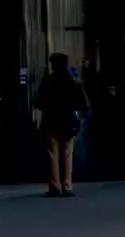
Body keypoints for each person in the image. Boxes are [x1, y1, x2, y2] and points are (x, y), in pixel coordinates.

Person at [33, 53, 89, 197]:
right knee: (67, 153)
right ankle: (67, 185)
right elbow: (83, 103)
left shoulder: (48, 81)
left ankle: (55, 186)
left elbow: (38, 102)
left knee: (52, 153)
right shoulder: (72, 81)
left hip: (51, 121)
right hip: (68, 121)